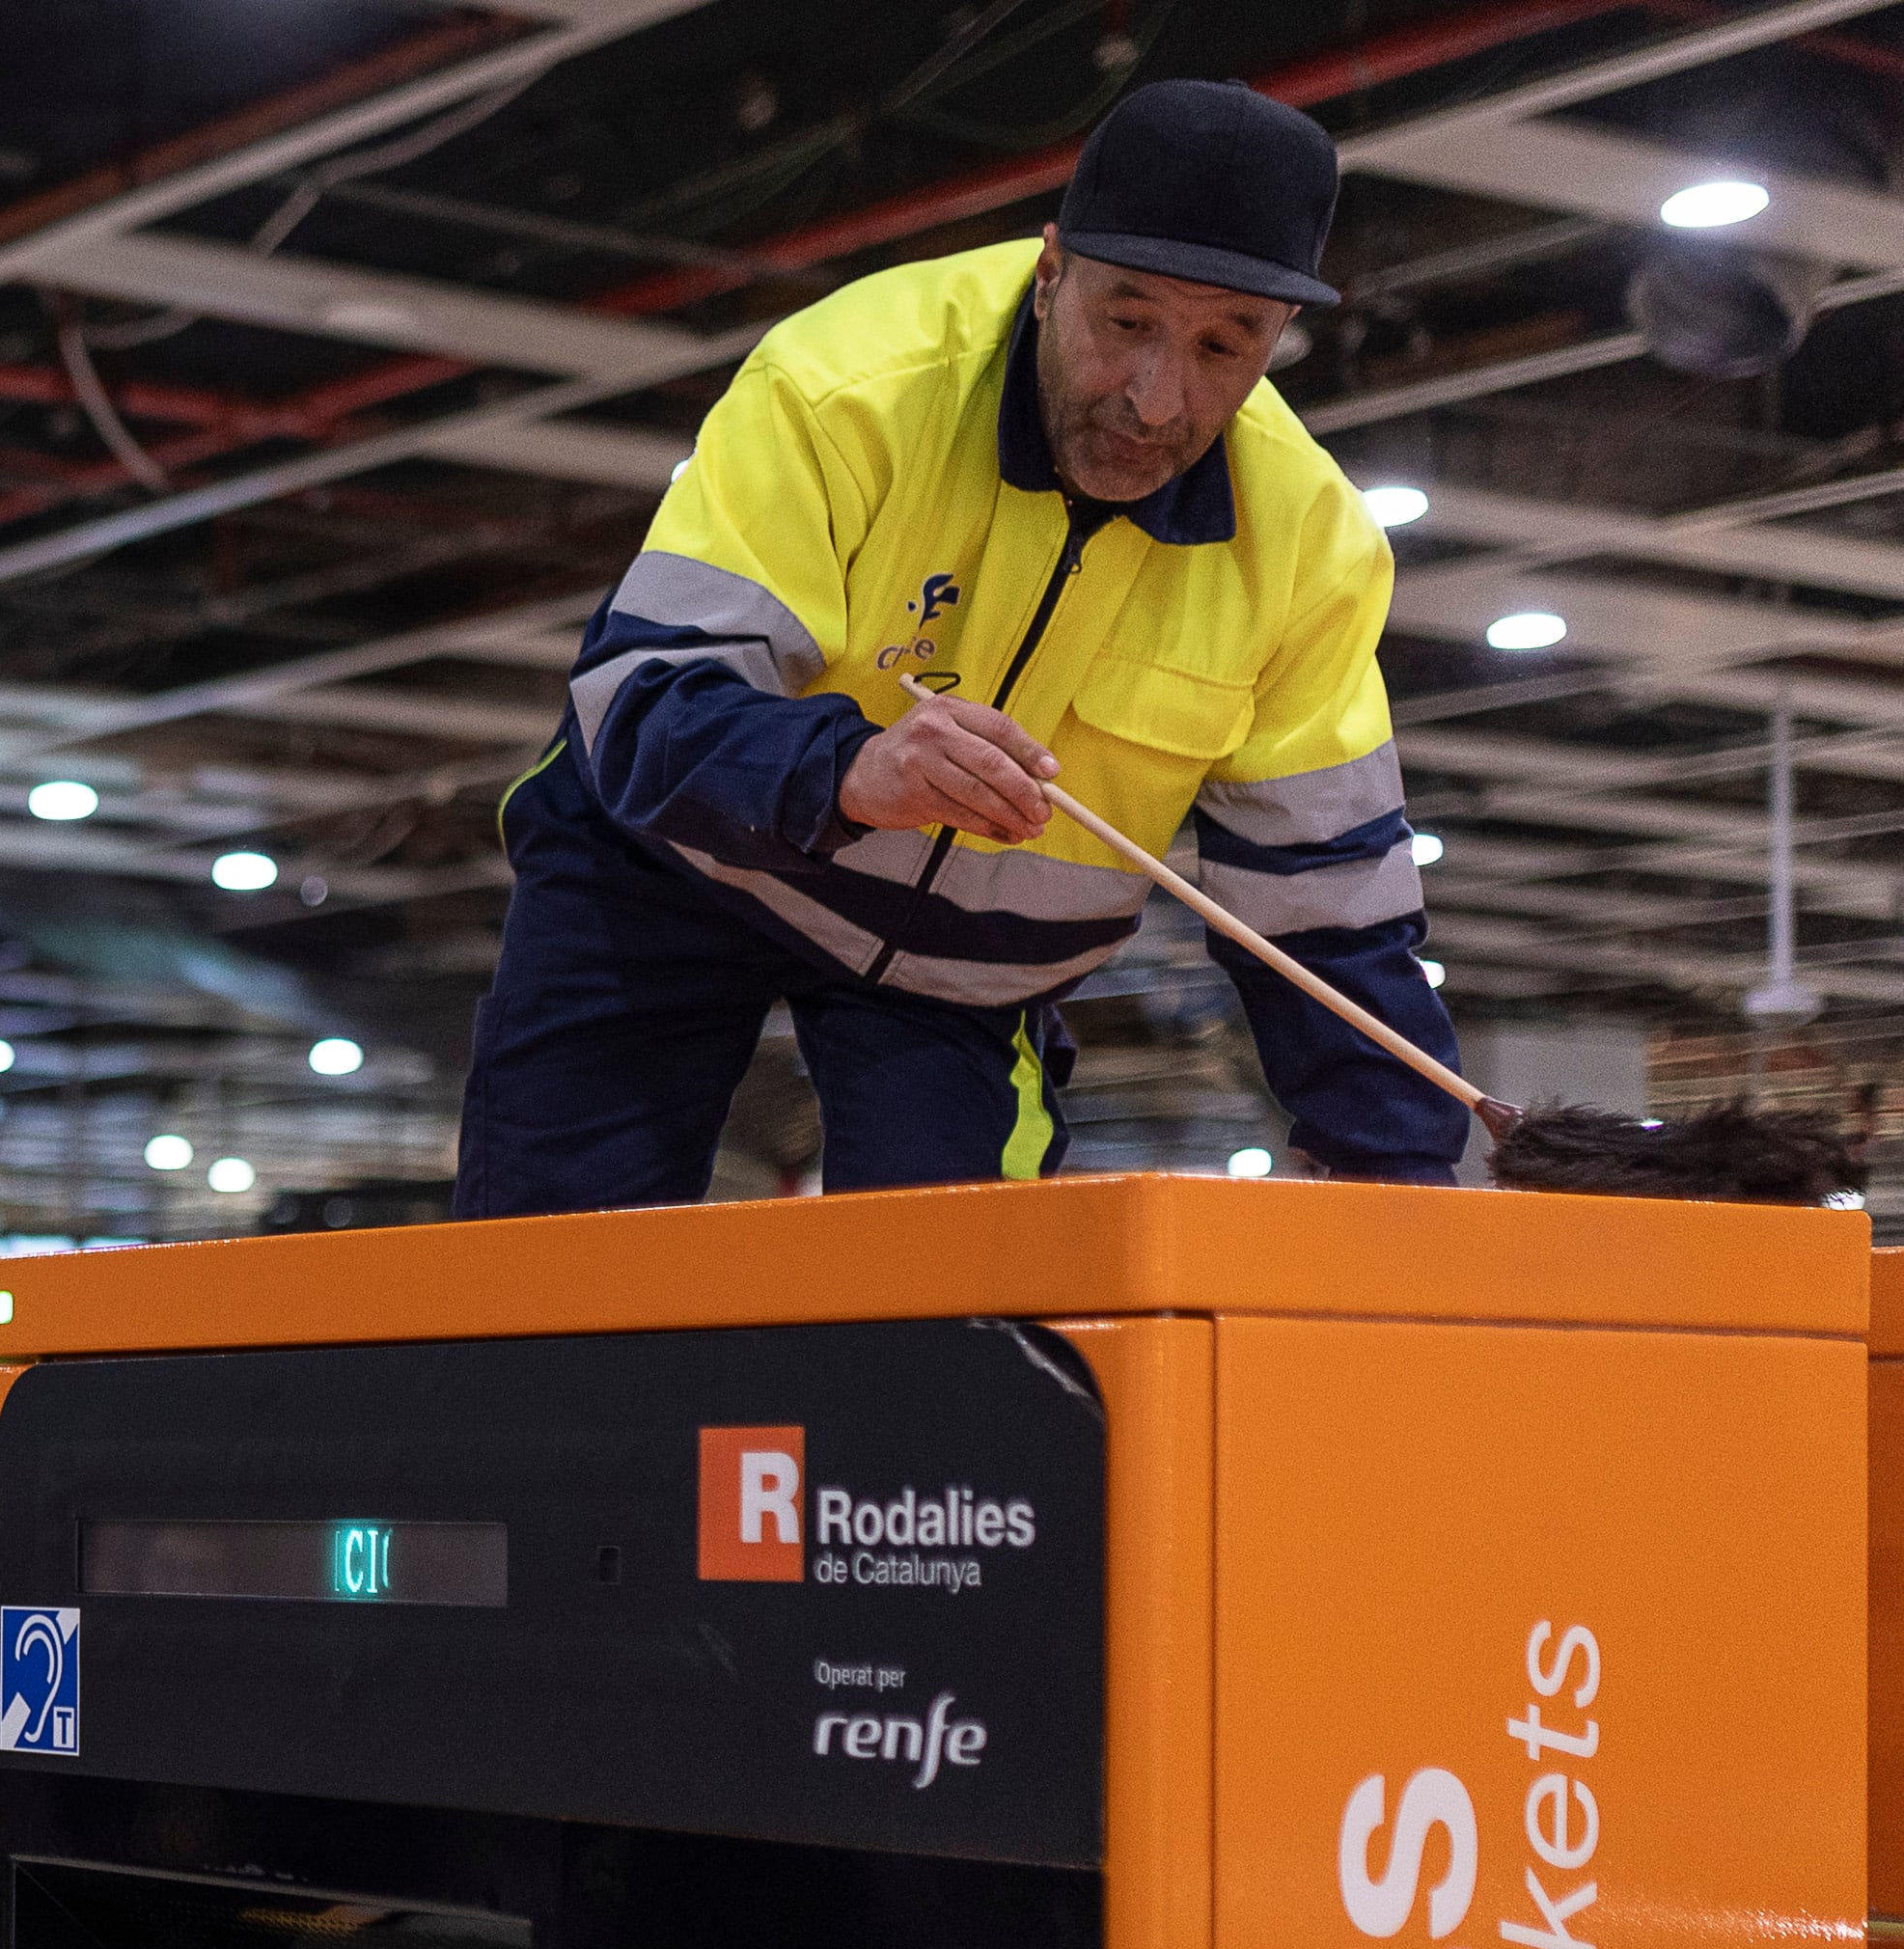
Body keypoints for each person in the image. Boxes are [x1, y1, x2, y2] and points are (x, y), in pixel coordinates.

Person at [452, 79, 1466, 1215]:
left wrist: (1400, 1176)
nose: (1153, 397)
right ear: (1047, 272)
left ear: (1276, 340)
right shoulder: (843, 385)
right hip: (668, 869)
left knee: (955, 1340)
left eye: (1221, 347)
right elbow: (646, 701)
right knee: (543, 1289)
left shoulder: (1310, 550)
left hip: (961, 975)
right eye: (1124, 323)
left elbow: (1329, 910)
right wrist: (849, 770)